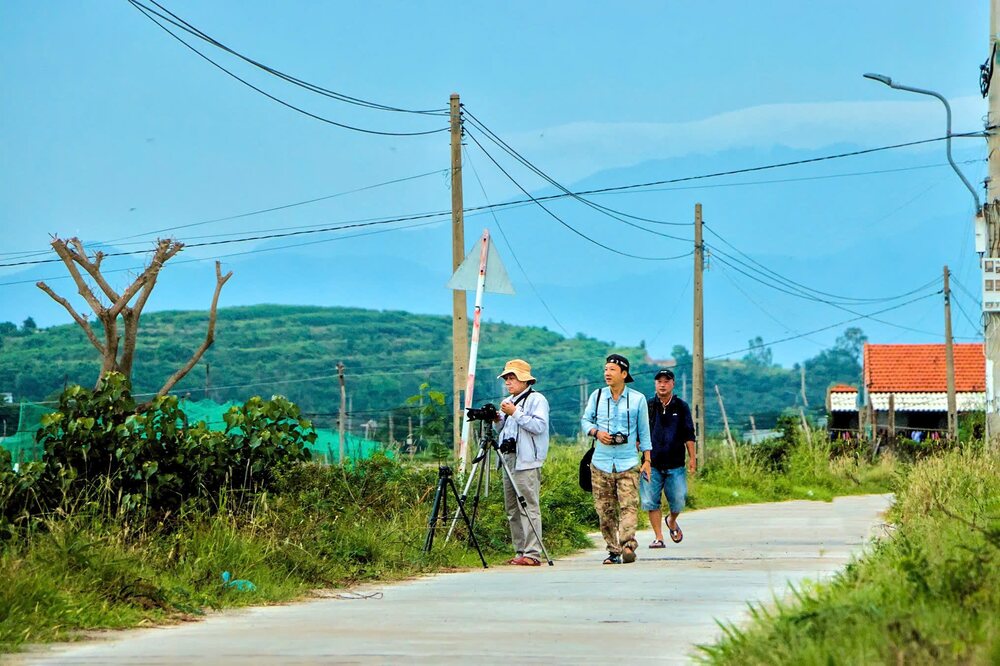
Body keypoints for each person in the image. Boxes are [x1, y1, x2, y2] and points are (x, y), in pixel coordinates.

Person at [581, 354, 652, 565]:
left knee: (629, 505)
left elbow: (644, 432)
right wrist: (596, 432)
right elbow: (585, 420)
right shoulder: (597, 396)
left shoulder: (638, 399)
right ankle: (613, 551)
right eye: (605, 370)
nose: (607, 373)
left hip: (628, 461)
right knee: (604, 509)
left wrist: (647, 460)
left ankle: (628, 545)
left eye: (612, 370)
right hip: (601, 461)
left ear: (624, 374)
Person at [493, 359, 550, 566]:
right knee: (512, 509)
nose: (508, 382)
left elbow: (538, 426)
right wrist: (497, 419)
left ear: (524, 380)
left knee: (528, 506)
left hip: (526, 459)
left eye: (512, 378)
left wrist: (514, 413)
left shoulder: (537, 400)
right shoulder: (509, 401)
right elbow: (503, 431)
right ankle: (520, 551)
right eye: (507, 378)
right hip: (507, 457)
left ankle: (533, 553)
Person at [642, 369, 696, 548]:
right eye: (659, 381)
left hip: (676, 463)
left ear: (673, 384)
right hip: (652, 462)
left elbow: (689, 433)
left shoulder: (681, 406)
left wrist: (692, 458)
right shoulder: (648, 406)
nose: (662, 384)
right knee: (651, 500)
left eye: (666, 381)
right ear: (655, 384)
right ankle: (659, 537)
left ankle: (671, 520)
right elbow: (641, 431)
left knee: (679, 499)